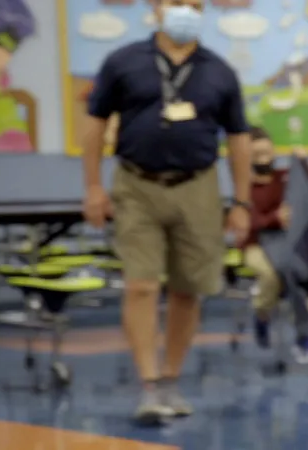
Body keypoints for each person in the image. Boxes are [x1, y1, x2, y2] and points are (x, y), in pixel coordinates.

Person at [80, 0, 251, 426]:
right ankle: (149, 384)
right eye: (176, 3)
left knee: (187, 288)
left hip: (199, 186)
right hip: (136, 185)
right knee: (140, 285)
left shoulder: (219, 70)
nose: (185, 11)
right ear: (157, 8)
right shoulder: (123, 62)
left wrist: (242, 202)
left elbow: (239, 137)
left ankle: (172, 377)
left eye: (194, 5)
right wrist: (92, 187)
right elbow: (94, 125)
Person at [242, 126, 308, 363]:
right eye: (257, 155)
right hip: (256, 244)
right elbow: (252, 221)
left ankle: (305, 333)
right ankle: (262, 314)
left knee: (299, 274)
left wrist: (303, 162)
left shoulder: (283, 178)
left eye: (267, 152)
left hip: (287, 243)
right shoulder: (246, 187)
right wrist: (274, 218)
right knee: (270, 275)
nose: (263, 159)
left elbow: (303, 184)